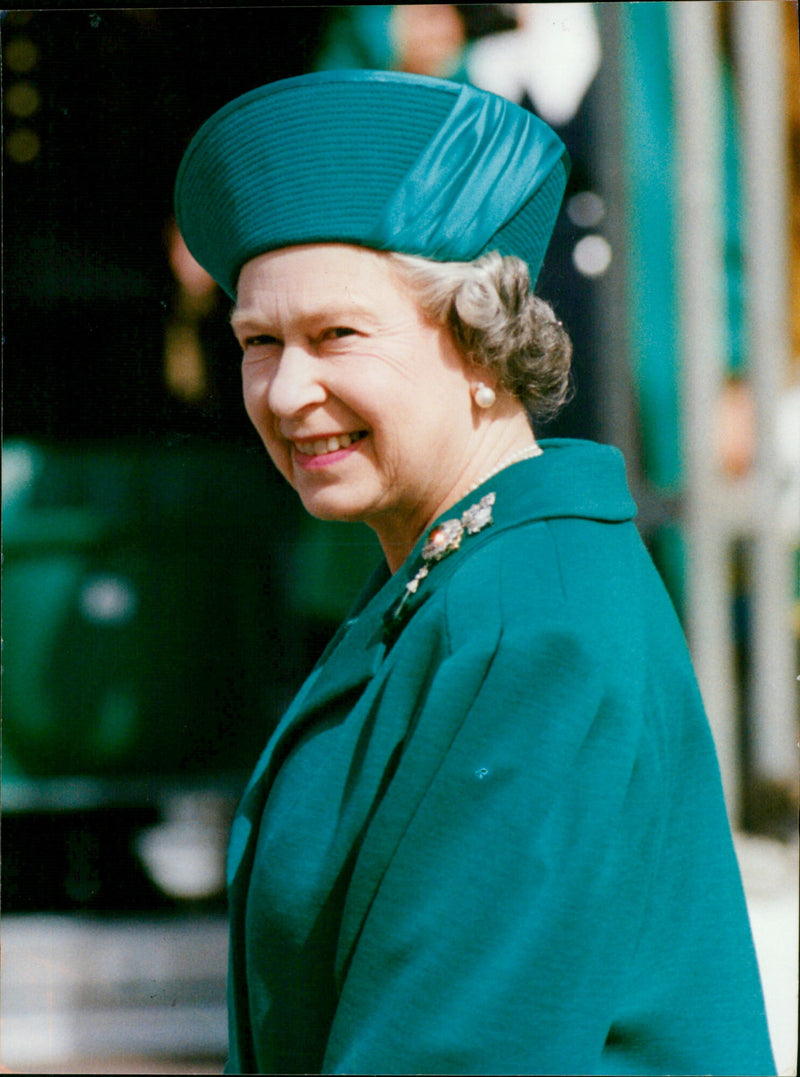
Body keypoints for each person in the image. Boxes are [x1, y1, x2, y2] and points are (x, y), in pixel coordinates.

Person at [174, 70, 774, 1075]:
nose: (286, 391)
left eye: (336, 337)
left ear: (481, 345)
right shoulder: (462, 577)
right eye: (257, 343)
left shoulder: (525, 623)